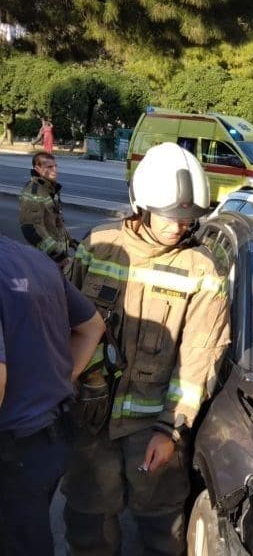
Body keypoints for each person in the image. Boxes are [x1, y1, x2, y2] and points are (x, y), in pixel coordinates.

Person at [61, 142, 231, 555]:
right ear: (142, 204)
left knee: (161, 529)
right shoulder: (100, 245)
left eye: (187, 217)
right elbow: (61, 323)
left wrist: (170, 431)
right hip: (90, 423)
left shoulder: (201, 271)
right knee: (88, 524)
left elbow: (197, 361)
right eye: (170, 215)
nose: (178, 226)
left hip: (151, 432)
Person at [0, 235, 105, 556]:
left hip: (12, 449)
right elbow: (92, 327)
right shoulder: (34, 260)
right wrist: (62, 376)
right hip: (50, 437)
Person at [19, 151, 76, 268]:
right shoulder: (34, 192)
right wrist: (58, 255)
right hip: (46, 259)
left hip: (57, 257)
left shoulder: (49, 188)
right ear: (37, 168)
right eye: (49, 167)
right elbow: (31, 230)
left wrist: (72, 242)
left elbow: (56, 222)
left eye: (55, 166)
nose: (55, 170)